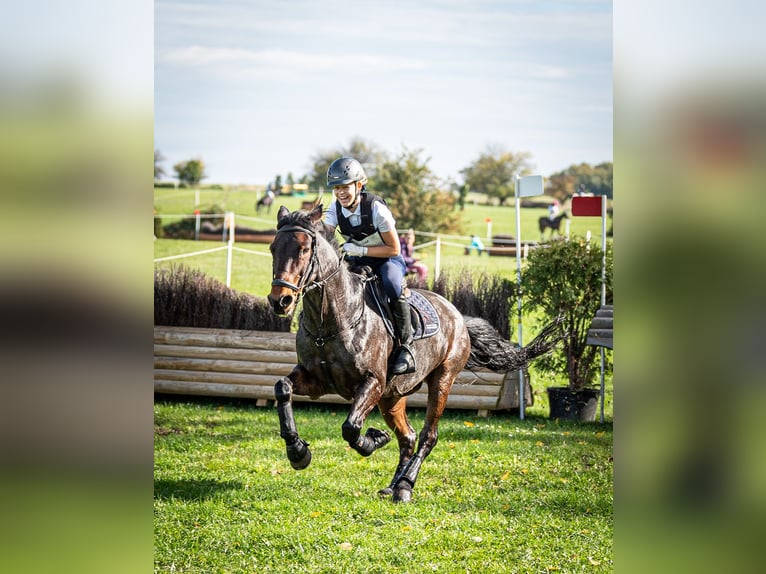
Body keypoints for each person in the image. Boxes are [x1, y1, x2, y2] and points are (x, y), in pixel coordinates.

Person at [323, 157, 416, 375]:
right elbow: (324, 232)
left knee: (393, 286)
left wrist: (362, 250)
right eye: (336, 188)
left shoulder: (376, 208)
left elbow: (394, 249)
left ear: (358, 185)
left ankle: (407, 347)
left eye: (345, 187)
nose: (340, 193)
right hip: (357, 261)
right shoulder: (335, 208)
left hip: (387, 260)